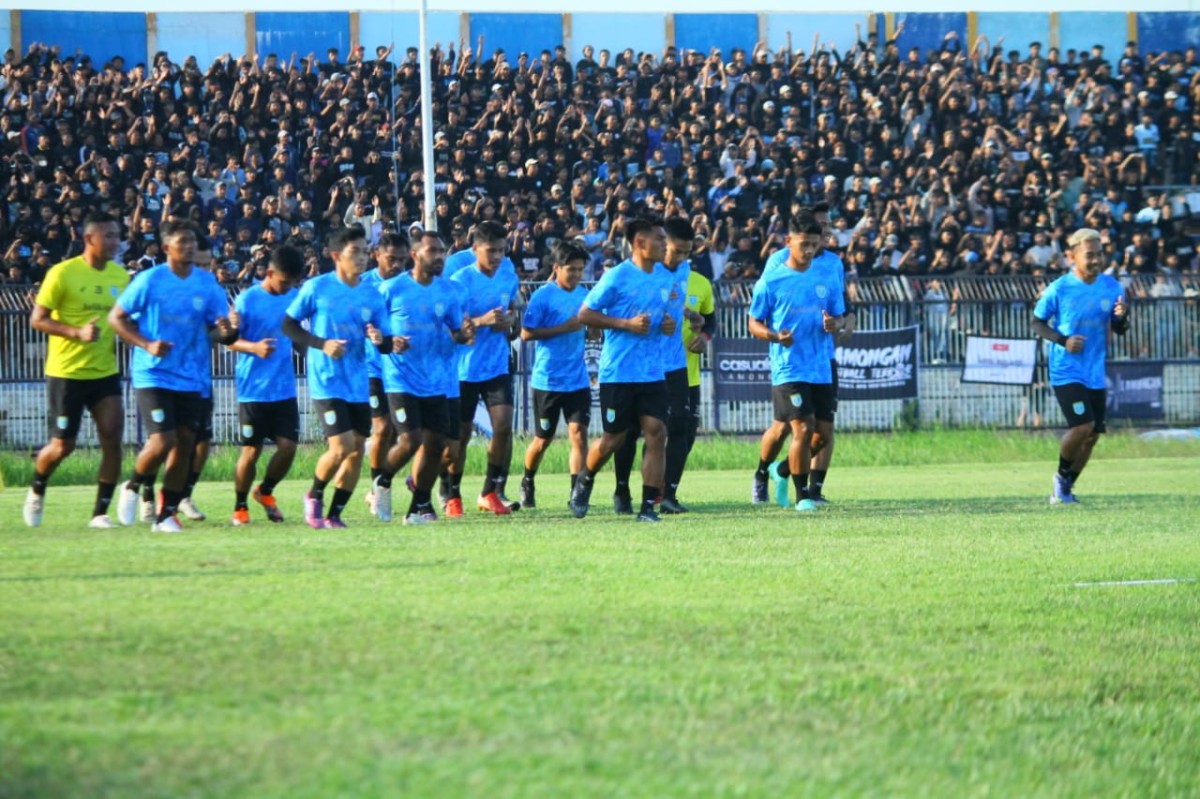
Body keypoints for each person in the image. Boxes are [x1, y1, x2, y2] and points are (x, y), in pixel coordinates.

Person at [109, 221, 237, 532]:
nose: (190, 247)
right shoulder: (149, 280)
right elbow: (116, 318)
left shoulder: (208, 285)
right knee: (163, 440)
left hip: (192, 376)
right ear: (167, 247)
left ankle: (165, 514)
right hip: (153, 374)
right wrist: (147, 344)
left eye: (192, 241)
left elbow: (224, 334)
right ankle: (133, 484)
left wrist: (227, 330)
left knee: (185, 444)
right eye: (183, 242)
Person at [24, 212, 129, 528]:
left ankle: (100, 512)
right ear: (89, 238)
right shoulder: (62, 273)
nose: (115, 242)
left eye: (117, 235)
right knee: (62, 446)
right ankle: (38, 487)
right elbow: (37, 319)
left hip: (105, 373)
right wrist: (76, 332)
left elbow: (127, 320)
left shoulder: (120, 277)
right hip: (66, 373)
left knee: (113, 438)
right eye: (108, 235)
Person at [569, 217, 675, 522]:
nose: (664, 244)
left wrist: (667, 325)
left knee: (657, 433)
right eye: (659, 239)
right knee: (613, 440)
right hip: (619, 373)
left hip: (653, 372)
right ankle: (585, 479)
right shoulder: (617, 276)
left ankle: (647, 507)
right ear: (640, 243)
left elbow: (662, 319)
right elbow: (585, 313)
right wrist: (624, 324)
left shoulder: (665, 279)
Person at [282, 224, 388, 529]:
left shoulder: (372, 294)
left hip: (358, 381)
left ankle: (335, 514)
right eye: (355, 252)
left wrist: (379, 338)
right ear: (336, 255)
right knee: (340, 447)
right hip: (326, 380)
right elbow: (289, 325)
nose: (363, 257)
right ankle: (314, 494)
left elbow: (384, 340)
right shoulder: (317, 288)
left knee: (356, 450)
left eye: (366, 251)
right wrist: (321, 344)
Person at [752, 204, 853, 507]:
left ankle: (781, 470)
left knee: (820, 435)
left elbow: (839, 314)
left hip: (822, 364)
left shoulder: (831, 270)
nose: (810, 249)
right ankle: (800, 495)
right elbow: (755, 321)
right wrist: (774, 336)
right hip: (789, 365)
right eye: (804, 243)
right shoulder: (773, 274)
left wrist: (835, 324)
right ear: (789, 242)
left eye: (815, 242)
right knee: (796, 428)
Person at [372, 231, 474, 525]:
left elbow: (456, 332)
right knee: (410, 440)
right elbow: (372, 331)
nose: (439, 256)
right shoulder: (391, 290)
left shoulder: (449, 292)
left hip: (437, 381)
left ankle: (418, 507)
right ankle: (382, 480)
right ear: (415, 255)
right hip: (400, 379)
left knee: (436, 445)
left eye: (442, 251)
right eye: (432, 251)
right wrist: (389, 340)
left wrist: (464, 334)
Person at [1032, 228, 1129, 503]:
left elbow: (1120, 328)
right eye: (1090, 255)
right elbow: (1036, 322)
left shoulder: (1112, 287)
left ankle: (1065, 487)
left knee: (1093, 435)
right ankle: (1060, 478)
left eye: (1099, 254)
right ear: (1072, 256)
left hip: (1095, 370)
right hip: (1066, 368)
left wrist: (1122, 318)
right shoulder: (1060, 288)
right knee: (1083, 426)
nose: (1096, 259)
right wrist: (1063, 340)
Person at [610, 217, 698, 513]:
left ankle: (667, 495)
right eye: (676, 251)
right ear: (662, 244)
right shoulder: (646, 269)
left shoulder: (683, 269)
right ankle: (622, 489)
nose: (681, 258)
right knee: (629, 432)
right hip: (644, 363)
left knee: (680, 427)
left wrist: (688, 315)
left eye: (687, 252)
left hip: (674, 362)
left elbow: (671, 300)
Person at [227, 244, 306, 526]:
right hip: (253, 389)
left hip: (284, 388)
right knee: (251, 450)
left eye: (293, 282)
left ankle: (265, 491)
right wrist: (254, 347)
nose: (288, 287)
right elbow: (229, 339)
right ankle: (240, 505)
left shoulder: (294, 297)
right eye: (284, 281)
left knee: (288, 447)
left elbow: (297, 335)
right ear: (270, 272)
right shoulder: (247, 300)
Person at [450, 221, 522, 515]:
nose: (497, 257)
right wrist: (481, 321)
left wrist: (511, 322)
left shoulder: (508, 275)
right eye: (491, 251)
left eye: (502, 251)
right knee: (461, 434)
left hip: (497, 364)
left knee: (503, 427)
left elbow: (514, 313)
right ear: (475, 248)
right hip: (464, 369)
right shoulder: (459, 281)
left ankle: (489, 491)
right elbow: (453, 327)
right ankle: (453, 494)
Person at [518, 240, 592, 509]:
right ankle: (527, 480)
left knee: (579, 435)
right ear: (557, 268)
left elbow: (591, 329)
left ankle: (577, 494)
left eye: (580, 269)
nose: (576, 275)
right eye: (571, 269)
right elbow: (526, 334)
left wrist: (593, 328)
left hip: (577, 379)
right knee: (543, 440)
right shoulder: (543, 297)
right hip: (548, 380)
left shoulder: (585, 296)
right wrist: (567, 327)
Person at [362, 232, 411, 514]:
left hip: (403, 370)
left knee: (401, 436)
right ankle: (378, 489)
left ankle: (380, 484)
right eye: (391, 259)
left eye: (401, 260)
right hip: (373, 368)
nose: (396, 265)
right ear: (377, 255)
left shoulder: (409, 284)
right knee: (381, 428)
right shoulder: (365, 285)